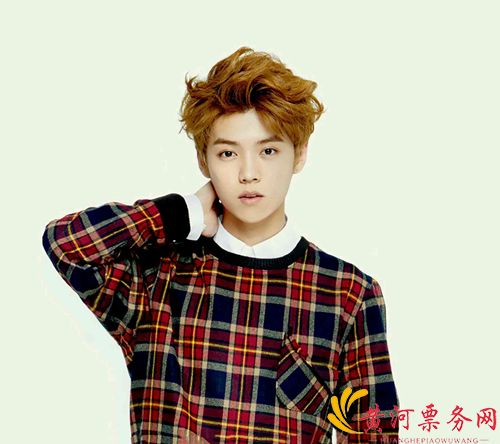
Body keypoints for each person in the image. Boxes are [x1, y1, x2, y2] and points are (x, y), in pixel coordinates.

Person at [42, 46, 399, 444]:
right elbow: (67, 245)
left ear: (299, 155)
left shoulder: (347, 294)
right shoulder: (157, 278)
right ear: (204, 160)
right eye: (228, 153)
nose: (249, 173)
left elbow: (375, 434)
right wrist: (180, 214)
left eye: (268, 151)